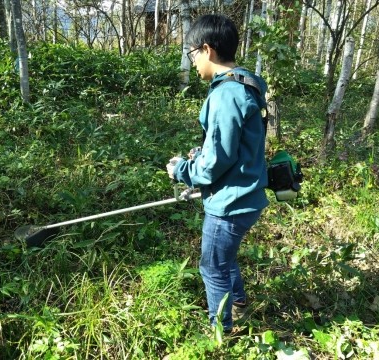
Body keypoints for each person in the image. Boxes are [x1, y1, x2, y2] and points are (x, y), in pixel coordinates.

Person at [166, 14, 269, 333]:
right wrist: (204, 154)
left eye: (191, 53)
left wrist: (182, 170)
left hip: (230, 205)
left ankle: (221, 332)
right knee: (225, 258)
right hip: (246, 195)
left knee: (212, 266)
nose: (192, 62)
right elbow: (230, 145)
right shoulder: (245, 83)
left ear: (207, 49)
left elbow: (215, 162)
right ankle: (237, 302)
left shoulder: (225, 95)